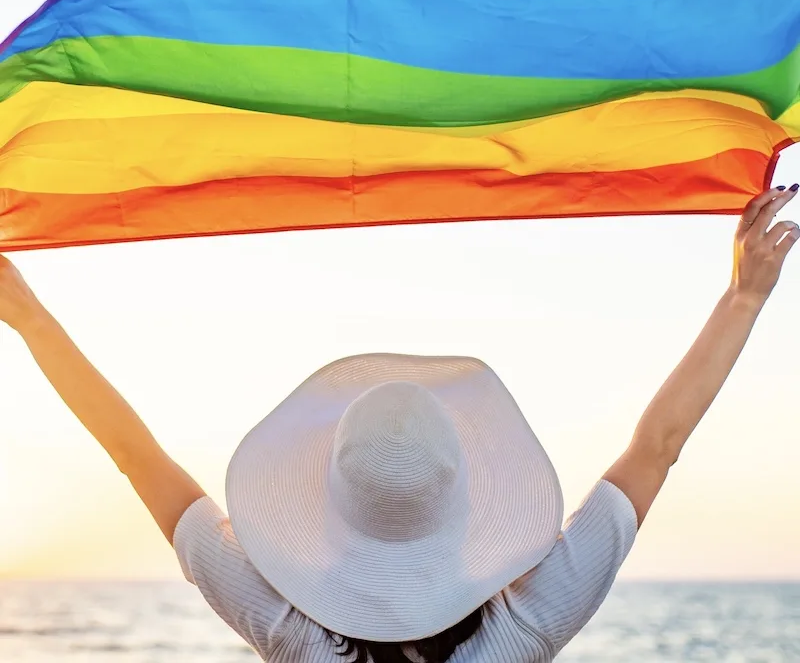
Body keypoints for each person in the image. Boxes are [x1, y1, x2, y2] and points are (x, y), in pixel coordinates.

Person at [0, 185, 797, 663]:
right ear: (465, 501)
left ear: (331, 503)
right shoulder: (526, 627)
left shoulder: (294, 636)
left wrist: (29, 316)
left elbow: (136, 458)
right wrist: (744, 298)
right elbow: (657, 448)